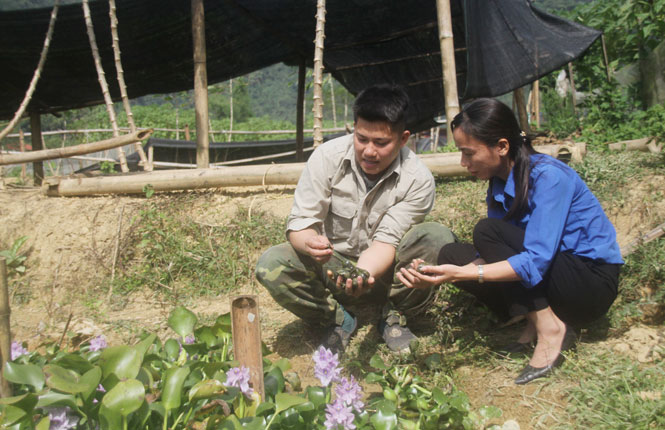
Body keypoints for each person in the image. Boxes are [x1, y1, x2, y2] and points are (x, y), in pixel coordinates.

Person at [398, 98, 623, 384]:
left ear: (502, 146)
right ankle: (534, 320)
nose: (463, 163)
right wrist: (442, 274)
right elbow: (496, 255)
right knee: (452, 254)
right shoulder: (499, 182)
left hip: (588, 286)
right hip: (554, 280)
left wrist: (466, 273)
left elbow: (536, 260)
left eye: (468, 153)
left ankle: (551, 329)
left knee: (487, 232)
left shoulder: (549, 177)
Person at [255, 85, 455, 355]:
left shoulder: (418, 180)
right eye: (361, 139)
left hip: (384, 273)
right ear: (353, 129)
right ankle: (337, 318)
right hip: (330, 269)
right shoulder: (327, 158)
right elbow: (301, 223)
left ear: (404, 138)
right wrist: (310, 243)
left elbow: (387, 241)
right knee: (272, 263)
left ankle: (394, 313)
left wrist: (362, 276)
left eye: (381, 143)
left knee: (436, 238)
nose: (369, 151)